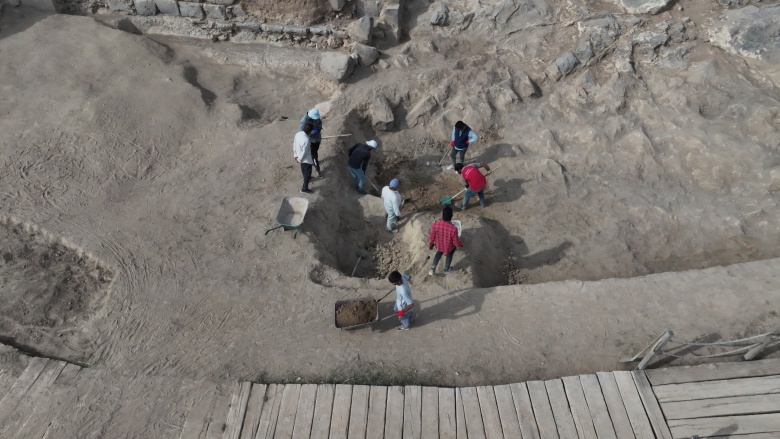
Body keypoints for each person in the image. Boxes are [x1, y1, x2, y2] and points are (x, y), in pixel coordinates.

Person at [428, 207, 463, 275]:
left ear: (442, 215)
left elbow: (432, 237)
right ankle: (446, 269)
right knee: (449, 255)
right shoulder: (454, 228)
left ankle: (432, 268)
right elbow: (456, 243)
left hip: (439, 246)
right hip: (449, 248)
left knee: (438, 253)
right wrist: (461, 244)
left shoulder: (435, 225)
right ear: (451, 216)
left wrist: (430, 245)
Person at [299, 108, 323, 177]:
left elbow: (320, 122)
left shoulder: (316, 118)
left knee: (315, 151)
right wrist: (312, 132)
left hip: (317, 139)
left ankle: (315, 160)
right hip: (311, 140)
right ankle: (318, 169)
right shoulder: (304, 121)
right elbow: (302, 133)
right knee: (313, 155)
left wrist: (319, 128)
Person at [293, 124, 315, 194]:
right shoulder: (306, 140)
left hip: (299, 156)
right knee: (307, 173)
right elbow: (304, 152)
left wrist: (295, 155)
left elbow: (294, 144)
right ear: (309, 131)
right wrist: (300, 159)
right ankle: (304, 189)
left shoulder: (298, 134)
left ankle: (307, 178)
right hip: (305, 159)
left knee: (303, 170)